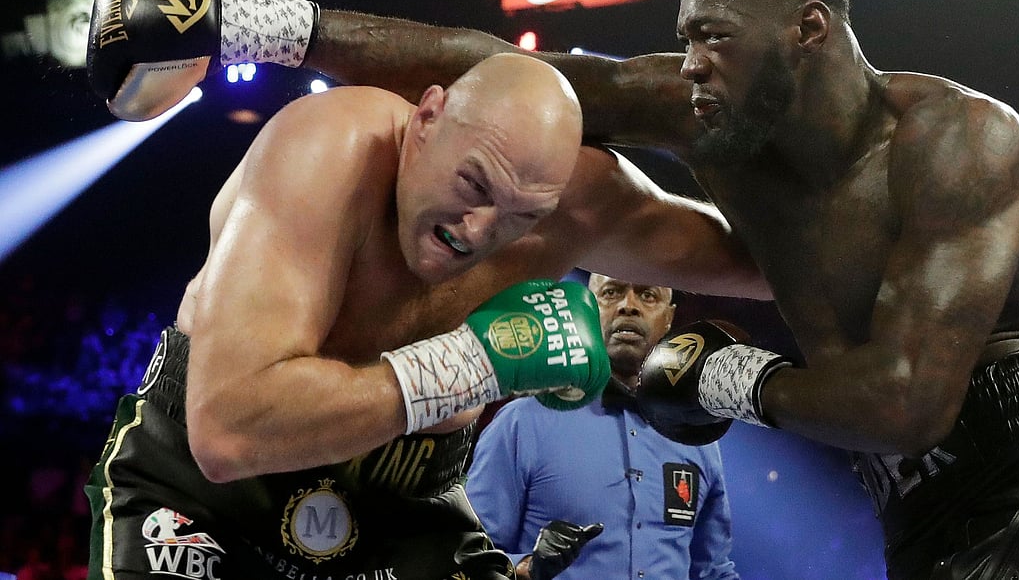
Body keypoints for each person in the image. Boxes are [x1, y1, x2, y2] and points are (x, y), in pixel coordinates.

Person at [87, 0, 1019, 576]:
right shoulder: (700, 112)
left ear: (807, 31)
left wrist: (717, 371)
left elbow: (895, 395)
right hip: (921, 504)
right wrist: (243, 17)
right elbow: (505, 69)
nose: (688, 64)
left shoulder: (956, 139)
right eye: (685, 36)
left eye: (715, 38)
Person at [81, 48, 773, 579]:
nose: (479, 229)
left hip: (407, 499)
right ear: (426, 118)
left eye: (522, 216)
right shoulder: (328, 149)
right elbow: (228, 433)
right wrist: (477, 361)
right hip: (207, 498)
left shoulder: (583, 205)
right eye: (473, 182)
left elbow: (770, 269)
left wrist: (705, 129)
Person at [466, 274, 739, 580]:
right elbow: (467, 554)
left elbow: (713, 571)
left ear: (669, 318)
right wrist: (527, 567)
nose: (628, 306)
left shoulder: (695, 436)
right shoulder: (522, 423)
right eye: (611, 292)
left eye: (648, 295)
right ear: (584, 311)